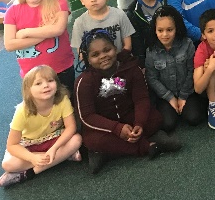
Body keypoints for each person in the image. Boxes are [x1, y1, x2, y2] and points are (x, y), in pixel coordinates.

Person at [75, 30, 180, 174]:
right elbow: (87, 117)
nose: (103, 56)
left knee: (155, 119)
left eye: (107, 50)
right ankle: (147, 145)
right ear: (88, 58)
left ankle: (109, 152)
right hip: (106, 126)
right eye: (95, 55)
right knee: (93, 140)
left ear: (115, 48)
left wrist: (139, 124)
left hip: (130, 117)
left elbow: (141, 99)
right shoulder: (84, 81)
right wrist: (117, 129)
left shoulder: (131, 68)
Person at [0, 66, 82, 188]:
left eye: (50, 81)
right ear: (28, 90)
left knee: (77, 139)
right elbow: (12, 145)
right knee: (7, 164)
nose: (45, 86)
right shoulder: (22, 111)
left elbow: (71, 128)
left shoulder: (62, 100)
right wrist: (32, 157)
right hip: (30, 145)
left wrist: (53, 149)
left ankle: (30, 173)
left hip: (54, 140)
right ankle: (64, 156)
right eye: (38, 83)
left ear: (57, 84)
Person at [3, 0, 74, 90]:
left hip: (61, 67)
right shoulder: (12, 12)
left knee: (68, 102)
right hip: (32, 74)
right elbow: (9, 45)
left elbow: (58, 29)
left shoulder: (58, 1)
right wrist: (46, 32)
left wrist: (25, 33)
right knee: (40, 107)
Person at [145, 6, 206, 131]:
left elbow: (192, 71)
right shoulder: (151, 51)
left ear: (176, 28)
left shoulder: (187, 44)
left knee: (194, 118)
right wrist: (170, 98)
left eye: (169, 30)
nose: (165, 34)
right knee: (168, 124)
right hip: (165, 95)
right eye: (160, 30)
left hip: (187, 91)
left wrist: (183, 96)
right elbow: (152, 78)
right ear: (154, 30)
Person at [71, 0, 135, 57]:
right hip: (96, 67)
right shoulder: (79, 23)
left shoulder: (119, 15)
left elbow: (128, 45)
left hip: (120, 62)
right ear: (81, 0)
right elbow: (81, 53)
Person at [126, 0, 164, 66]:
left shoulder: (167, 1)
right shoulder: (132, 12)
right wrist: (142, 64)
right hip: (149, 57)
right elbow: (136, 41)